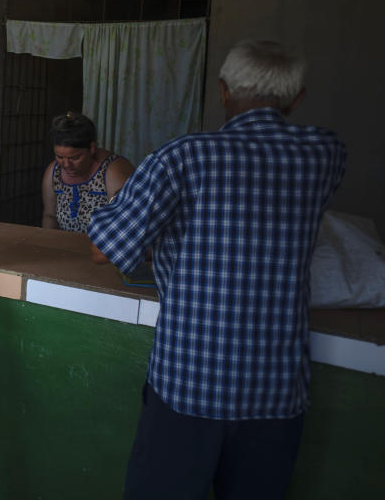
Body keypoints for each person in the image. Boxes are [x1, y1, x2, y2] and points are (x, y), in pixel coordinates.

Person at [87, 40, 347, 499]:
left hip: (189, 385)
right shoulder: (324, 154)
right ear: (296, 98)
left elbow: (110, 243)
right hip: (277, 392)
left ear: (223, 92)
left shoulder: (185, 156)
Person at [40, 111, 133, 232]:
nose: (66, 165)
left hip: (103, 248)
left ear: (92, 148)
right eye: (60, 157)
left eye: (75, 158)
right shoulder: (53, 171)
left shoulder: (113, 170)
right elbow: (50, 216)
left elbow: (125, 223)